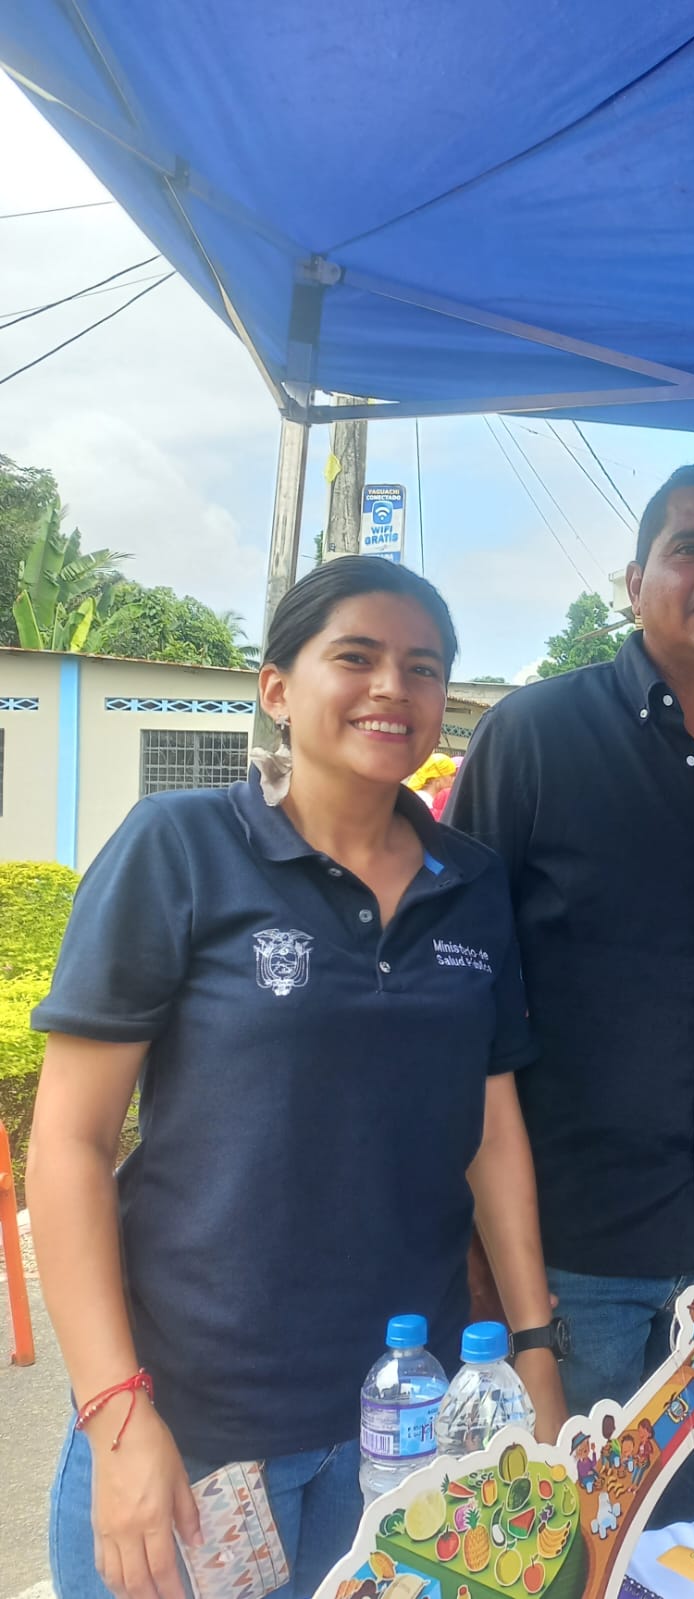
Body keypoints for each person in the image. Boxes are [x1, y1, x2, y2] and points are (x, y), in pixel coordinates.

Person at [28, 558, 565, 1599]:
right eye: (355, 657)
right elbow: (69, 1144)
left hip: (404, 1431)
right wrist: (117, 1413)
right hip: (194, 1434)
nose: (392, 687)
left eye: (423, 667)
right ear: (276, 687)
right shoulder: (181, 848)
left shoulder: (471, 881)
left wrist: (533, 1348)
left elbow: (491, 1125)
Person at [446, 461, 694, 1521]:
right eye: (691, 548)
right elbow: (459, 999)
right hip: (565, 1261)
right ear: (635, 581)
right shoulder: (531, 739)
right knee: (556, 1554)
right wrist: (479, 1253)